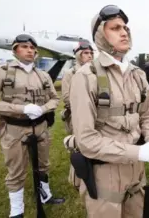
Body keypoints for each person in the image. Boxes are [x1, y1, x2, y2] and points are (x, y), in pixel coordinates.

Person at [69, 5, 149, 217]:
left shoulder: (137, 75)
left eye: (124, 27)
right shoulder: (87, 77)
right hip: (103, 170)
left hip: (136, 168)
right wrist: (140, 152)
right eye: (115, 28)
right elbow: (86, 139)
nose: (124, 32)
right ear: (100, 35)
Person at [0, 34, 65, 218]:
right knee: (16, 169)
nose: (30, 50)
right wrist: (21, 108)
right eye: (24, 47)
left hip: (40, 126)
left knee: (43, 164)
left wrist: (42, 109)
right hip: (14, 128)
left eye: (33, 48)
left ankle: (45, 196)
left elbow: (55, 99)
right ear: (15, 50)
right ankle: (17, 210)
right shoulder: (1, 71)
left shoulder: (43, 75)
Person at [61, 41, 94, 189]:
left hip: (95, 115)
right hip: (77, 115)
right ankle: (77, 179)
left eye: (91, 53)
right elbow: (66, 97)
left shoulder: (96, 71)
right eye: (86, 53)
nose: (89, 55)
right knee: (79, 146)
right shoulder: (71, 73)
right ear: (78, 55)